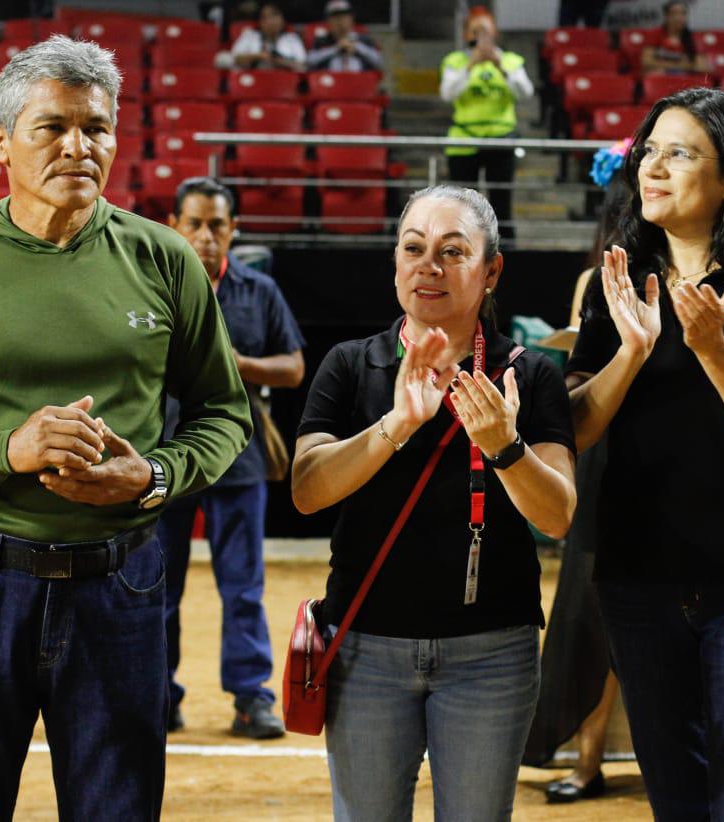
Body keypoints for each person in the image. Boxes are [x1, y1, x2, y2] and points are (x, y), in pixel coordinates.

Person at [0, 36, 252, 820]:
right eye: (53, 127)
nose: (79, 146)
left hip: (123, 581)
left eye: (97, 128)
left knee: (117, 809)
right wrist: (7, 451)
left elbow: (222, 411)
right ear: (1, 142)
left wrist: (156, 476)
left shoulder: (165, 259)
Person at [565, 87, 724, 818]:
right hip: (639, 581)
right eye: (650, 150)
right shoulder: (617, 286)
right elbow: (576, 426)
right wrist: (633, 351)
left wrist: (710, 346)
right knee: (675, 796)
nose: (654, 166)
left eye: (680, 153)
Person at [292, 184, 577, 821]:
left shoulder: (527, 374)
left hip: (492, 656)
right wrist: (395, 426)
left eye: (453, 251)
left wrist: (504, 446)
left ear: (491, 269)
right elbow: (308, 490)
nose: (430, 266)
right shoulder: (349, 364)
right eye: (414, 248)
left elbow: (556, 513)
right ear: (395, 261)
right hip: (367, 649)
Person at [161, 176, 304, 739]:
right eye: (193, 223)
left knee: (242, 586)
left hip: (238, 459)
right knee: (158, 585)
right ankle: (158, 694)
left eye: (217, 225)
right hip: (164, 458)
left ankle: (251, 698)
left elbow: (292, 367)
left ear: (234, 229)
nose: (205, 236)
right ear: (175, 226)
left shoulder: (259, 291)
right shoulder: (153, 285)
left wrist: (233, 363)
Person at [524, 177, 628, 805]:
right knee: (592, 616)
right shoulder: (596, 284)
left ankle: (601, 758)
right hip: (605, 457)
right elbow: (579, 370)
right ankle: (587, 760)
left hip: (640, 456)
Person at [440, 6, 533, 241]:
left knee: (501, 202)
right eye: (475, 31)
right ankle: (461, 248)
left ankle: (506, 250)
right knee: (462, 205)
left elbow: (525, 92)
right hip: (464, 141)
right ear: (466, 35)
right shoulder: (455, 61)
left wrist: (499, 65)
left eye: (485, 31)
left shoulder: (510, 60)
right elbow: (448, 93)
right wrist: (471, 64)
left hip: (500, 139)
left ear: (494, 34)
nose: (480, 37)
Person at [220, 2, 307, 72]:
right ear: (260, 22)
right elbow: (231, 59)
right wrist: (259, 56)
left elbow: (303, 66)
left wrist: (281, 61)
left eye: (275, 16)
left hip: (286, 85)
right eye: (265, 17)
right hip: (252, 82)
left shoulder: (292, 39)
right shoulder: (250, 36)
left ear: (283, 20)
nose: (271, 21)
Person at [308, 0, 383, 73]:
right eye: (335, 18)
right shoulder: (322, 41)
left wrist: (356, 47)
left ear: (351, 19)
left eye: (344, 17)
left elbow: (379, 62)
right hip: (331, 83)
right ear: (328, 21)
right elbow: (309, 61)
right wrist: (336, 49)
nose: (340, 22)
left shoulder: (364, 39)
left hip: (360, 82)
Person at [640, 1, 708, 76]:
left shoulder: (692, 38)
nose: (679, 17)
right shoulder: (655, 34)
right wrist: (683, 65)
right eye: (675, 13)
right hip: (662, 78)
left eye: (683, 13)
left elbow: (702, 66)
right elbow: (647, 62)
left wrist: (661, 63)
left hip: (685, 79)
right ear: (666, 16)